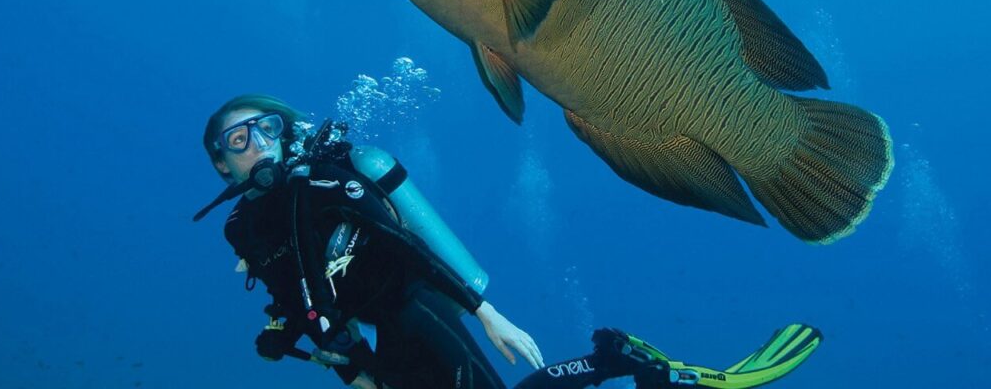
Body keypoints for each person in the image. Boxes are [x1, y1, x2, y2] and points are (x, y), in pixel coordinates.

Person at [195, 94, 822, 389]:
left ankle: (616, 362)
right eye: (238, 141)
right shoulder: (242, 227)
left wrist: (486, 311)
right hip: (369, 339)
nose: (258, 143)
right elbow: (297, 294)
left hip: (420, 300)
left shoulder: (326, 181)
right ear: (222, 166)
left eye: (265, 128)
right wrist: (329, 358)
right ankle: (617, 363)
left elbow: (403, 246)